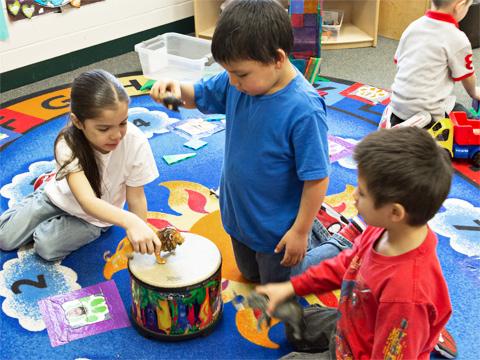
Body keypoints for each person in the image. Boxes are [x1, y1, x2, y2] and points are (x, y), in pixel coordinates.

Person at [150, 0, 331, 284]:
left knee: (280, 283)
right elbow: (198, 94)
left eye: (241, 74)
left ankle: (337, 247)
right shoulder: (240, 81)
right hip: (240, 215)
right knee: (250, 273)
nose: (232, 81)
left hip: (278, 228)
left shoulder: (305, 110)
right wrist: (173, 90)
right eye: (229, 72)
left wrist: (299, 231)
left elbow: (317, 177)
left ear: (278, 59)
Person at [256, 127, 454, 359]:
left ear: (395, 211)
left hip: (365, 352)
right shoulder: (384, 229)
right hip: (355, 321)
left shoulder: (406, 297)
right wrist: (293, 286)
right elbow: (348, 263)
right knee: (297, 323)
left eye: (363, 193)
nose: (353, 196)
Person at [0, 69, 161, 261]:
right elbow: (87, 200)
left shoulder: (135, 141)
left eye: (123, 123)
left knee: (46, 247)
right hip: (58, 198)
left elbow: (136, 195)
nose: (116, 135)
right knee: (5, 239)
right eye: (104, 128)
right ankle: (47, 185)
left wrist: (139, 228)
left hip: (96, 216)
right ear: (77, 121)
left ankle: (47, 222)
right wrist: (129, 221)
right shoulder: (67, 144)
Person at [388, 0, 480, 127]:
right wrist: (474, 93)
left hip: (397, 107)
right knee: (472, 123)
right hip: (430, 113)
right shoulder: (457, 38)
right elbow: (468, 76)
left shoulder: (413, 26)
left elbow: (399, 62)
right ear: (459, 6)